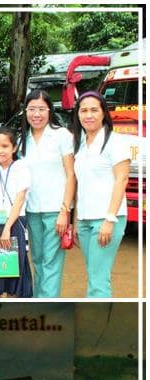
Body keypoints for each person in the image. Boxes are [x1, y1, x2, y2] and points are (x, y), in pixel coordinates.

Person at [71, 91, 131, 297]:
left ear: (104, 113)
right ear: (78, 114)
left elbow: (122, 180)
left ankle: (96, 324)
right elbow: (81, 185)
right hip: (85, 220)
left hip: (106, 219)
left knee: (98, 279)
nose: (89, 115)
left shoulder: (116, 141)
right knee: (94, 274)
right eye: (84, 110)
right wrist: (76, 220)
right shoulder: (80, 144)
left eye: (94, 110)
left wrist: (109, 219)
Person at [19, 90, 76, 298]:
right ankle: (39, 300)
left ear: (49, 111)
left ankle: (46, 305)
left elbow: (71, 175)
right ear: (25, 111)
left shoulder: (61, 135)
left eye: (41, 109)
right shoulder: (22, 139)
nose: (36, 114)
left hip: (55, 210)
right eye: (32, 109)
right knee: (37, 259)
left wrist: (65, 210)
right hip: (32, 209)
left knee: (51, 261)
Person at [0, 127, 33, 297]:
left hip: (15, 224)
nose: (0, 150)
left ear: (14, 148)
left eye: (5, 146)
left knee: (13, 272)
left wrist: (6, 230)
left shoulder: (22, 167)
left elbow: (19, 200)